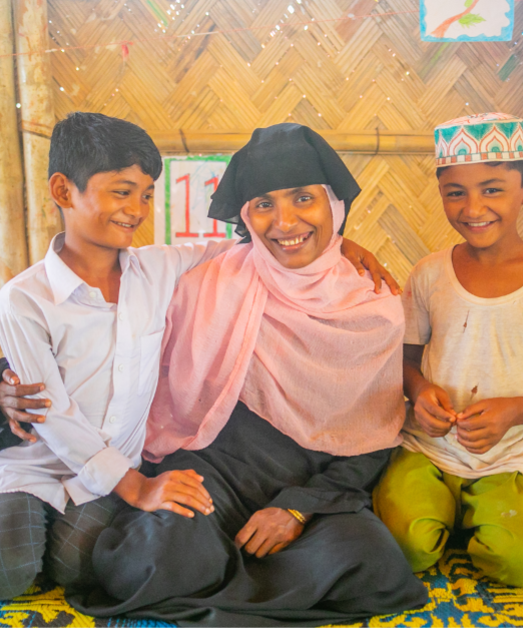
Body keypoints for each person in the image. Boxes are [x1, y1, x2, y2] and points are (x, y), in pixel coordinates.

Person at [0, 115, 398, 602]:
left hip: (153, 479)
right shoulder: (35, 296)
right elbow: (49, 400)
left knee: (82, 566)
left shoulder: (161, 271)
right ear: (64, 191)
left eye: (145, 195)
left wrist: (339, 241)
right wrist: (4, 389)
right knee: (21, 573)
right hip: (95, 463)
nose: (136, 210)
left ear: (332, 204)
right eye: (121, 192)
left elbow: (259, 240)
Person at [68, 123, 429, 626]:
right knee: (159, 558)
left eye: (304, 198)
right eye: (263, 204)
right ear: (245, 215)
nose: (285, 222)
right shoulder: (210, 282)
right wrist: (8, 384)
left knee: (374, 565)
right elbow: (108, 344)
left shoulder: (374, 306)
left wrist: (297, 510)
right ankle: (236, 575)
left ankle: (223, 582)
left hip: (311, 488)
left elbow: (372, 440)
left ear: (334, 206)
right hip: (212, 473)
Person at [373, 113, 523, 587]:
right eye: (456, 192)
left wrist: (513, 412)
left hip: (504, 462)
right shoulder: (430, 275)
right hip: (425, 452)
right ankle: (443, 514)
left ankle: (474, 515)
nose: (473, 207)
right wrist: (420, 389)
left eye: (492, 189)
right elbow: (405, 362)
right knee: (401, 549)